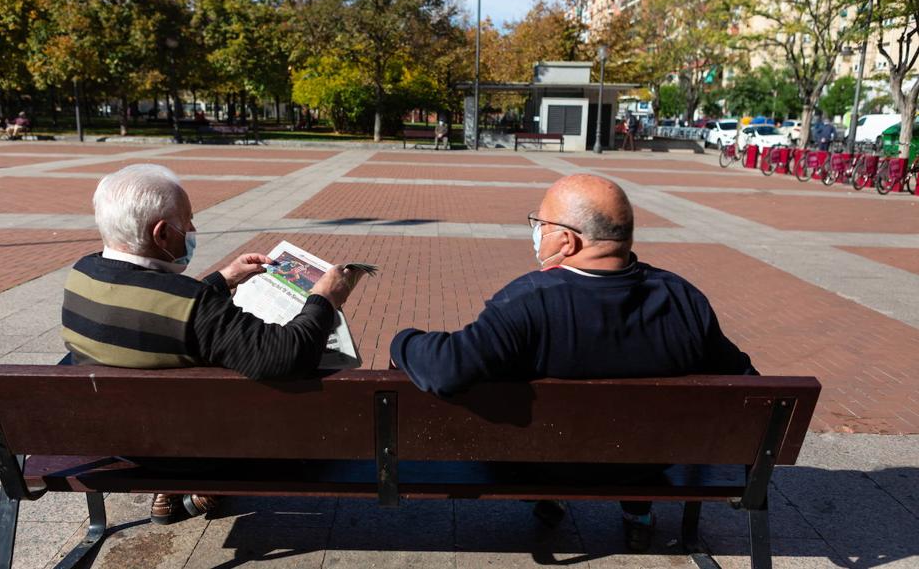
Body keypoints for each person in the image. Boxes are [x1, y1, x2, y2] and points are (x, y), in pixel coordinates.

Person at [389, 175, 755, 552]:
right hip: (645, 466)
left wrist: (404, 340)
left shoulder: (529, 302)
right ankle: (638, 510)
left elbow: (448, 370)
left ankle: (550, 496)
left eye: (540, 225)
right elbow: (745, 381)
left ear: (567, 239)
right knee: (631, 431)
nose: (536, 234)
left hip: (542, 465)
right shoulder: (683, 299)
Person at [61, 163, 363, 526]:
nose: (192, 230)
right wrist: (324, 299)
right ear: (161, 234)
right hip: (191, 447)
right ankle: (209, 484)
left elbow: (159, 308)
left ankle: (179, 487)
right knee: (310, 416)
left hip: (120, 438)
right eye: (187, 221)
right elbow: (288, 354)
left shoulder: (83, 274)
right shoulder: (193, 306)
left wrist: (223, 279)